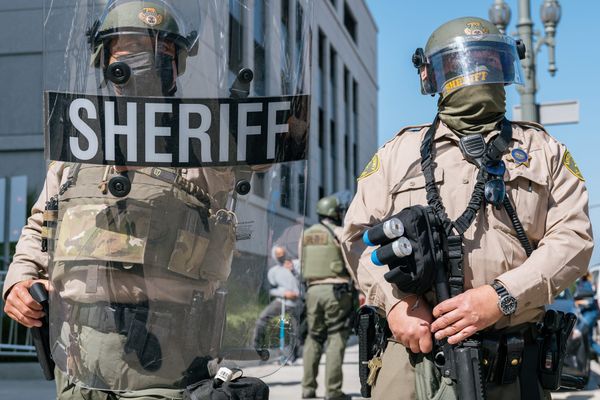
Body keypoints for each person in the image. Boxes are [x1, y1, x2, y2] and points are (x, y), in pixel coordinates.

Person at [341, 16, 593, 400]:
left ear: (506, 68)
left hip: (512, 360)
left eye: (490, 63)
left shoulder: (545, 152)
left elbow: (573, 238)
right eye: (464, 65)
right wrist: (397, 304)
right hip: (413, 359)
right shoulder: (398, 154)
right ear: (433, 76)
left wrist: (502, 296)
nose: (478, 73)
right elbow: (356, 238)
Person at [2, 1, 243, 398]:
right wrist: (19, 282)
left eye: (161, 52)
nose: (145, 60)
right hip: (77, 357)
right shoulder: (78, 145)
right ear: (105, 60)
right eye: (129, 48)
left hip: (167, 362)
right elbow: (40, 225)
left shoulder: (203, 141)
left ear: (178, 64)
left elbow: (262, 157)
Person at [300, 195, 359, 400]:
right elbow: (353, 265)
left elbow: (302, 264)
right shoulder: (339, 233)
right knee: (336, 337)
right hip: (336, 291)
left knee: (314, 337)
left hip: (312, 290)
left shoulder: (306, 234)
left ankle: (308, 389)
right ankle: (333, 392)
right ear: (335, 213)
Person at [252, 245, 300, 360]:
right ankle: (257, 349)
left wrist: (293, 271)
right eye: (278, 255)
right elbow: (270, 289)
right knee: (262, 319)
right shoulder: (273, 271)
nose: (282, 257)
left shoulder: (297, 265)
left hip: (297, 302)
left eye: (283, 254)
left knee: (296, 328)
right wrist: (283, 294)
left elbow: (304, 282)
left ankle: (294, 355)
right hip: (282, 301)